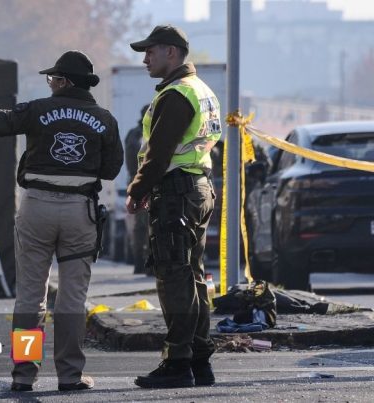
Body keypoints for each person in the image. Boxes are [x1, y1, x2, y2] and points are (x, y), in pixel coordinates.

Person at [0, 50, 123, 392]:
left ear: (63, 82)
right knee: (73, 299)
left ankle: (24, 373)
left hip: (36, 208)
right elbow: (111, 169)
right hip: (80, 210)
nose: (50, 83)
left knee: (31, 298)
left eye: (53, 79)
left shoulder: (37, 109)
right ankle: (70, 374)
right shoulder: (104, 119)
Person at [126, 25, 222, 388]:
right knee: (192, 276)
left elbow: (160, 151)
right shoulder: (201, 89)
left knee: (173, 279)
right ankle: (199, 360)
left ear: (171, 52)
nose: (145, 59)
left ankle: (178, 362)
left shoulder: (176, 94)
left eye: (150, 52)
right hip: (198, 187)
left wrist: (138, 189)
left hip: (176, 192)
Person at [124, 104, 151, 275]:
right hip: (148, 181)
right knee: (149, 225)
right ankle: (147, 264)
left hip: (135, 180)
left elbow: (128, 160)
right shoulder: (149, 133)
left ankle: (139, 263)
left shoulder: (133, 134)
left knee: (139, 226)